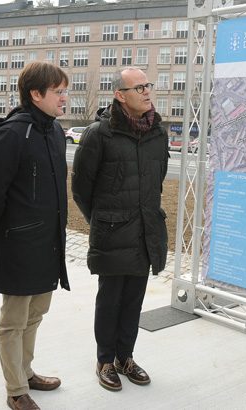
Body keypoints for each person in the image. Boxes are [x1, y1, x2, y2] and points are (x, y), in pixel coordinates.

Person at [0, 61, 70, 410]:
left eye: (64, 90)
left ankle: (26, 371)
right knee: (13, 320)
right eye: (59, 92)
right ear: (36, 94)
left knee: (36, 313)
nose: (65, 98)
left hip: (49, 242)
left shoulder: (55, 131)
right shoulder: (14, 132)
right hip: (19, 243)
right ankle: (16, 389)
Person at [72, 67, 168, 392]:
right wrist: (102, 220)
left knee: (133, 302)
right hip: (113, 233)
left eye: (147, 85)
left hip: (144, 233)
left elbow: (157, 181)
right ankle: (104, 360)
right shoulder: (99, 134)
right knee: (110, 300)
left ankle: (125, 358)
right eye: (138, 87)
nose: (146, 91)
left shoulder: (158, 133)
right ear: (119, 94)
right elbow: (81, 188)